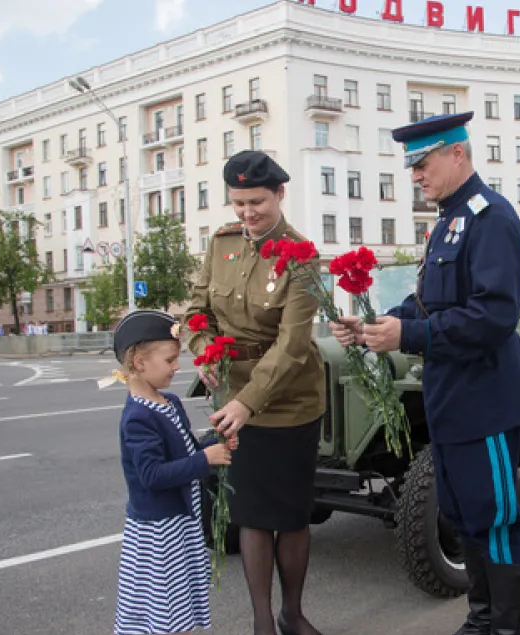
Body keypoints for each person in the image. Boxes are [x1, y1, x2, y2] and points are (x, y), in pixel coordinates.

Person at [330, 112, 520, 635]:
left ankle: (508, 627)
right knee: (463, 511)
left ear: (458, 154)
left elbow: (495, 316)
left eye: (422, 163)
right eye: (411, 167)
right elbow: (427, 303)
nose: (415, 175)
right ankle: (482, 618)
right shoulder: (449, 221)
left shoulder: (490, 217)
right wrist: (372, 325)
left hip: (488, 400)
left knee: (495, 519)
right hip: (453, 399)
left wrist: (408, 337)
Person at [185, 150, 327, 635]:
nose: (247, 214)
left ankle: (293, 612)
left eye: (257, 203)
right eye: (239, 203)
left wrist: (247, 403)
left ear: (280, 194)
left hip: (288, 402)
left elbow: (292, 345)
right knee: (249, 515)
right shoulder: (221, 245)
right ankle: (262, 621)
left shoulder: (302, 257)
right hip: (233, 397)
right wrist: (205, 352)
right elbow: (197, 310)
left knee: (288, 515)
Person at [111, 309, 235, 635]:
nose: (176, 367)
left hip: (181, 522)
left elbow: (188, 450)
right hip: (159, 530)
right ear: (139, 362)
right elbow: (152, 475)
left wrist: (217, 440)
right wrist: (205, 460)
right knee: (163, 609)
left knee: (178, 606)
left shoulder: (168, 402)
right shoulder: (138, 417)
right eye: (169, 360)